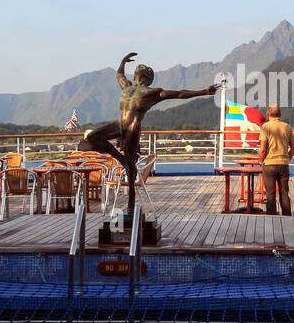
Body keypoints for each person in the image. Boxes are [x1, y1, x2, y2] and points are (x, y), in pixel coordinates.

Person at [86, 52, 219, 214]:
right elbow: (119, 74)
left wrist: (204, 91)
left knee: (130, 167)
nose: (137, 75)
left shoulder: (153, 93)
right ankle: (120, 158)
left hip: (133, 127)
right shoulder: (127, 87)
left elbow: (180, 94)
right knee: (90, 138)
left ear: (143, 77)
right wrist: (122, 61)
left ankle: (130, 205)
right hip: (119, 124)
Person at [258, 105, 294, 215]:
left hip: (269, 164)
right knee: (284, 193)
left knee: (270, 194)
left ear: (268, 115)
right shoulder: (287, 127)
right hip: (283, 164)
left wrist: (261, 161)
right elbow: (293, 148)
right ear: (280, 115)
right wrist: (286, 159)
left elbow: (263, 149)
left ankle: (271, 219)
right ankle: (287, 218)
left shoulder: (265, 127)